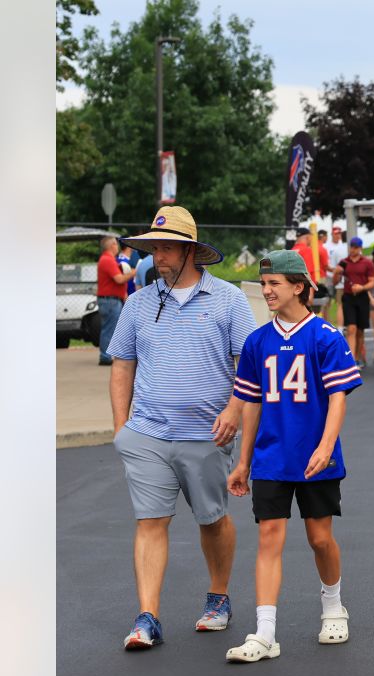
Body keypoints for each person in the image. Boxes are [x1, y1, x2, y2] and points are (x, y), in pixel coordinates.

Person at [107, 206, 255, 650]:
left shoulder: (228, 300)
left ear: (191, 250)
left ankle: (219, 597)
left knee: (212, 520)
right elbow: (121, 366)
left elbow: (249, 366)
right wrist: (121, 429)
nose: (158, 255)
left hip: (208, 435)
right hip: (148, 433)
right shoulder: (138, 302)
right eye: (154, 247)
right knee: (150, 521)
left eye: (167, 246)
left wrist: (233, 410)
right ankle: (147, 616)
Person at [224, 251, 362, 662]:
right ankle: (265, 633)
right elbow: (250, 403)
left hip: (316, 457)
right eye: (264, 285)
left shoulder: (325, 335)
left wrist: (325, 445)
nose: (266, 291)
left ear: (298, 286)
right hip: (271, 458)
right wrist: (244, 461)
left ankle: (334, 604)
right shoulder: (257, 341)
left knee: (320, 539)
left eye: (274, 284)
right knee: (269, 538)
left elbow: (338, 398)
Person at [331, 237, 374, 367]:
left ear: (360, 248)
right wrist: (336, 274)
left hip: (362, 297)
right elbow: (335, 282)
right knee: (351, 328)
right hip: (349, 297)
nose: (353, 249)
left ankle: (357, 357)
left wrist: (362, 287)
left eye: (356, 247)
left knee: (360, 330)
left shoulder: (367, 263)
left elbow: (372, 281)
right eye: (352, 247)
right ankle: (351, 360)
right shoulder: (344, 262)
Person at [97, 235, 136, 366]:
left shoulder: (108, 260)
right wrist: (134, 272)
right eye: (116, 244)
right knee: (109, 328)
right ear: (112, 245)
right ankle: (105, 357)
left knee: (109, 328)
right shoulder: (108, 260)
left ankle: (106, 355)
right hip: (110, 301)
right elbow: (119, 279)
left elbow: (116, 282)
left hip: (110, 300)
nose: (117, 247)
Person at [324, 226, 348, 326]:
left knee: (341, 303)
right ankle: (327, 322)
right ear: (332, 234)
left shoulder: (342, 246)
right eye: (336, 234)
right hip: (330, 276)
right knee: (327, 301)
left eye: (339, 234)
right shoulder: (326, 246)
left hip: (338, 276)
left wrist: (338, 272)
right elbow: (326, 263)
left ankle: (342, 324)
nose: (337, 235)